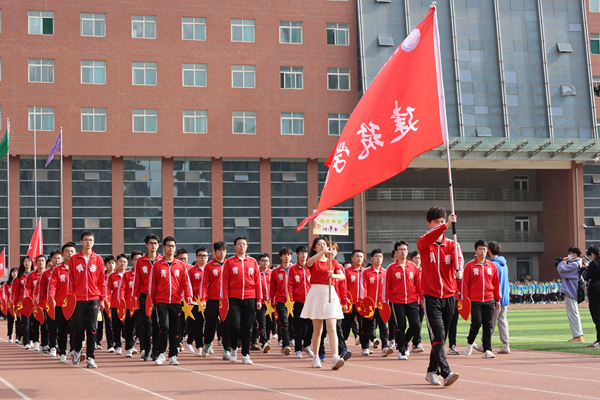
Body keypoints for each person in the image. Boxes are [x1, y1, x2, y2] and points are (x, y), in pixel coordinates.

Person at [417, 207, 463, 387]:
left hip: (450, 295)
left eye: (442, 221)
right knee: (438, 334)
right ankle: (446, 372)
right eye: (436, 222)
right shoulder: (423, 242)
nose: (440, 224)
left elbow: (458, 261)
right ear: (429, 224)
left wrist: (459, 270)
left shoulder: (452, 244)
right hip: (431, 296)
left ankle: (430, 371)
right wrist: (446, 226)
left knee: (441, 338)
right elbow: (427, 238)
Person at [302, 236, 345, 370]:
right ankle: (315, 357)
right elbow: (309, 263)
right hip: (316, 292)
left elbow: (342, 276)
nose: (322, 245)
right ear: (315, 247)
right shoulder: (313, 261)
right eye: (319, 244)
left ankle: (335, 357)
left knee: (332, 326)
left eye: (324, 244)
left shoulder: (333, 261)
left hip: (330, 293)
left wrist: (334, 276)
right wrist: (323, 252)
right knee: (318, 329)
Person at [150, 236, 192, 365]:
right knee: (164, 326)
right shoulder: (157, 265)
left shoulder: (180, 265)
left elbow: (185, 282)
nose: (171, 248)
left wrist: (188, 295)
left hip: (176, 301)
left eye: (173, 246)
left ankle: (173, 355)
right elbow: (152, 284)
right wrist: (151, 300)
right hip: (161, 301)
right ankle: (161, 353)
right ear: (163, 247)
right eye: (168, 246)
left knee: (175, 329)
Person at [69, 230, 106, 368]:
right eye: (86, 240)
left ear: (93, 242)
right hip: (78, 299)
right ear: (81, 242)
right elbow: (70, 280)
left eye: (91, 240)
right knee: (78, 329)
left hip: (93, 298)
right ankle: (77, 351)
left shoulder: (98, 260)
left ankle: (91, 357)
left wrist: (101, 298)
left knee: (92, 329)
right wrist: (70, 298)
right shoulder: (74, 259)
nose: (88, 242)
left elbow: (102, 281)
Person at [222, 236, 262, 365]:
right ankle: (233, 348)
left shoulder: (253, 262)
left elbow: (257, 281)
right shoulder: (229, 262)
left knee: (247, 327)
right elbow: (225, 281)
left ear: (247, 246)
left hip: (250, 297)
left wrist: (259, 299)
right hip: (233, 298)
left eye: (244, 244)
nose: (241, 246)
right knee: (234, 325)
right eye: (239, 244)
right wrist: (225, 299)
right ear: (234, 247)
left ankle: (246, 354)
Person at [462, 240, 501, 359]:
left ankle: (487, 350)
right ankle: (470, 342)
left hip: (489, 299)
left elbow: (496, 283)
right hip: (475, 300)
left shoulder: (492, 266)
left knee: (488, 325)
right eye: (480, 249)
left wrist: (497, 299)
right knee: (476, 323)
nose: (482, 251)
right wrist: (464, 300)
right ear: (475, 250)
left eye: (484, 249)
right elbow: (465, 284)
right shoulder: (470, 266)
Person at [385, 241, 422, 360]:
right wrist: (385, 300)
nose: (403, 251)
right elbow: (387, 285)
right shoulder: (391, 268)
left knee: (416, 324)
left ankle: (405, 342)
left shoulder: (413, 267)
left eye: (405, 249)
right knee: (401, 325)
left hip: (412, 300)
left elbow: (419, 284)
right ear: (396, 252)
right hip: (397, 301)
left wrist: (421, 297)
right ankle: (401, 349)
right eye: (400, 249)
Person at [134, 234, 163, 361]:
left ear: (158, 245)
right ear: (146, 245)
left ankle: (156, 351)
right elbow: (137, 280)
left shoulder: (162, 260)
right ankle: (146, 349)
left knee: (157, 324)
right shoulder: (141, 261)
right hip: (144, 295)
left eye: (155, 243)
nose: (153, 245)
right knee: (146, 322)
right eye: (150, 243)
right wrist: (135, 297)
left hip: (159, 296)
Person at [360, 249, 393, 357]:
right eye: (377, 256)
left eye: (381, 256)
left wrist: (387, 301)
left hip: (381, 304)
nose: (379, 258)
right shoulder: (366, 272)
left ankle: (385, 347)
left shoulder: (385, 272)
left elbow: (389, 288)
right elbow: (363, 287)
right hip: (369, 305)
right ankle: (365, 347)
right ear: (372, 258)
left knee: (383, 326)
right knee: (366, 327)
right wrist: (364, 300)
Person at [201, 241, 231, 359]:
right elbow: (204, 284)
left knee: (226, 325)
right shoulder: (209, 266)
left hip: (226, 300)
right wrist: (203, 299)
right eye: (219, 250)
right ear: (215, 251)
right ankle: (207, 343)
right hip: (212, 300)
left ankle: (227, 349)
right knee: (210, 325)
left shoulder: (229, 264)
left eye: (223, 250)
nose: (222, 252)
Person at [48, 242, 77, 363]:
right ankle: (63, 353)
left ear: (75, 253)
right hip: (60, 304)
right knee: (63, 329)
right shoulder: (57, 270)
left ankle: (75, 351)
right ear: (63, 253)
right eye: (67, 251)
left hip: (76, 304)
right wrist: (52, 299)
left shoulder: (79, 268)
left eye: (72, 251)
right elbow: (52, 285)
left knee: (77, 329)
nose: (69, 254)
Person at [288, 245, 314, 359]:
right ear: (297, 254)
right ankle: (298, 349)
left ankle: (306, 345)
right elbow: (289, 286)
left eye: (305, 252)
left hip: (311, 301)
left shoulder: (311, 267)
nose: (304, 255)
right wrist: (291, 301)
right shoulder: (292, 269)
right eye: (301, 253)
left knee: (311, 325)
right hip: (298, 301)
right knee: (297, 326)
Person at [556, 247, 584, 342]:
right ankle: (577, 335)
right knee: (572, 313)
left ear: (574, 254)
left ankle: (578, 335)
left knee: (573, 313)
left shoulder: (575, 265)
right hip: (571, 290)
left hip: (571, 291)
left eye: (570, 253)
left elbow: (562, 271)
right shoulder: (575, 264)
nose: (568, 255)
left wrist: (563, 262)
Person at [38, 250, 62, 356]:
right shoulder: (46, 274)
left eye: (58, 258)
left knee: (62, 327)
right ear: (51, 260)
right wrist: (41, 304)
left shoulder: (65, 271)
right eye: (55, 258)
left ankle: (61, 347)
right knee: (51, 326)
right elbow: (42, 290)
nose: (57, 260)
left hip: (62, 304)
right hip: (50, 304)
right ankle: (52, 346)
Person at [186, 247, 209, 356]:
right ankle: (199, 346)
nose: (203, 257)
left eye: (205, 255)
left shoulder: (211, 269)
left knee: (210, 325)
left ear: (208, 257)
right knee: (198, 325)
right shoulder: (191, 271)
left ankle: (208, 344)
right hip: (196, 302)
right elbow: (187, 286)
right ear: (196, 257)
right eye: (200, 255)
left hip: (210, 301)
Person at [119, 250, 142, 357]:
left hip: (142, 305)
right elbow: (122, 289)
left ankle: (144, 349)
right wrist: (121, 300)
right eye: (136, 260)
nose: (138, 262)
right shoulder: (127, 275)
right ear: (132, 261)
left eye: (140, 259)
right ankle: (129, 348)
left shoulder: (145, 274)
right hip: (129, 305)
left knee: (143, 327)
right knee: (129, 327)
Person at [270, 247, 293, 356]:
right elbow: (272, 288)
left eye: (288, 254)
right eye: (284, 254)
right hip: (281, 300)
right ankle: (286, 344)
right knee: (284, 323)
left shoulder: (294, 270)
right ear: (280, 256)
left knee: (293, 324)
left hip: (294, 301)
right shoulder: (275, 272)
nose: (287, 256)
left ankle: (290, 344)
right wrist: (271, 301)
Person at [488, 241, 510, 354]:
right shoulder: (504, 264)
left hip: (496, 297)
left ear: (489, 251)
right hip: (505, 296)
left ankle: (485, 343)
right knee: (502, 320)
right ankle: (506, 344)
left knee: (490, 321)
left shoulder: (492, 265)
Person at [343, 250, 365, 347]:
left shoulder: (365, 272)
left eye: (361, 256)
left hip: (362, 303)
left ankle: (365, 347)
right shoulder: (346, 271)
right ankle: (342, 345)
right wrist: (344, 300)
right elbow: (343, 287)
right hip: (349, 303)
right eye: (357, 256)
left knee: (364, 326)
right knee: (346, 325)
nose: (359, 258)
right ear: (352, 258)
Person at [107, 254, 127, 355]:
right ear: (117, 263)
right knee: (116, 326)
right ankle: (118, 345)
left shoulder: (130, 275)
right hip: (115, 305)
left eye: (124, 261)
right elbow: (108, 290)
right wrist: (108, 300)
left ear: (127, 263)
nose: (122, 263)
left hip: (128, 305)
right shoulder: (111, 276)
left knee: (127, 326)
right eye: (120, 261)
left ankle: (129, 345)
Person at [26, 254, 46, 352]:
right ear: (36, 263)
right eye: (39, 261)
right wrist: (29, 301)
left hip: (46, 304)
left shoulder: (48, 274)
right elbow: (27, 289)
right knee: (35, 324)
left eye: (43, 260)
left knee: (45, 324)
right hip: (35, 305)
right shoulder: (31, 275)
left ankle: (45, 343)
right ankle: (36, 342)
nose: (41, 262)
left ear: (45, 262)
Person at [13, 256, 33, 348]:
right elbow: (16, 291)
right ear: (22, 263)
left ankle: (32, 339)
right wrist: (16, 304)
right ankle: (26, 342)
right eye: (25, 261)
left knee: (33, 322)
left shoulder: (34, 274)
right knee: (25, 322)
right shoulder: (19, 277)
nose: (27, 263)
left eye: (29, 261)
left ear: (32, 263)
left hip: (34, 302)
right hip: (23, 303)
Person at [255, 253, 273, 352]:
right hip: (260, 302)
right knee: (262, 322)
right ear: (259, 262)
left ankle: (266, 339)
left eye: (266, 261)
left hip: (270, 302)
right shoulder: (256, 273)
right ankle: (264, 342)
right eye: (263, 261)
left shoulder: (272, 273)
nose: (265, 263)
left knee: (269, 322)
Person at [584, 245, 600, 348]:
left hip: (596, 293)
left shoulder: (594, 263)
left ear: (593, 254)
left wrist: (583, 270)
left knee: (597, 317)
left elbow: (587, 276)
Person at [99, 255, 116, 353]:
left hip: (114, 303)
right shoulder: (102, 275)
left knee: (113, 324)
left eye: (112, 263)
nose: (111, 265)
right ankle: (104, 343)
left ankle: (114, 344)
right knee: (102, 323)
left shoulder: (118, 276)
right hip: (102, 303)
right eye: (109, 263)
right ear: (106, 265)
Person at [3, 268, 18, 342]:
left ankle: (18, 336)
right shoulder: (7, 284)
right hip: (10, 305)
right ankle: (10, 335)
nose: (15, 273)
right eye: (13, 272)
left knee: (19, 321)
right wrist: (6, 302)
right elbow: (5, 294)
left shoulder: (19, 282)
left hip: (18, 304)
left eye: (16, 272)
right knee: (10, 321)